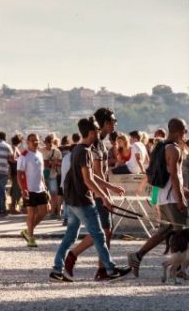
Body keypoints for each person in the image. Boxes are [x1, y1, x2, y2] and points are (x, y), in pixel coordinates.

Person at [49, 116, 131, 282]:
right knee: (99, 235)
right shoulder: (85, 151)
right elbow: (88, 180)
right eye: (97, 131)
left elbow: (91, 176)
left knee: (70, 236)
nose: (98, 134)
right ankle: (110, 270)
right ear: (92, 133)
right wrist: (104, 197)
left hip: (72, 200)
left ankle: (57, 270)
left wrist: (111, 188)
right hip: (82, 201)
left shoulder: (78, 150)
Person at [127, 118, 189, 279]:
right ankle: (177, 269)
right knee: (182, 233)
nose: (186, 133)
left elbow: (169, 174)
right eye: (185, 130)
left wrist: (182, 190)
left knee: (165, 231)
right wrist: (180, 199)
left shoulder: (161, 147)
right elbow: (174, 176)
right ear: (179, 131)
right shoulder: (174, 150)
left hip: (163, 196)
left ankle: (137, 256)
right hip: (171, 198)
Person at [65, 108, 125, 280]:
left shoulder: (99, 143)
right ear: (105, 123)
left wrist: (110, 190)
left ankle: (102, 269)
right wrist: (105, 195)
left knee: (103, 232)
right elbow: (95, 174)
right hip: (96, 194)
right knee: (102, 232)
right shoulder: (95, 144)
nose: (115, 124)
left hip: (96, 193)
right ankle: (80, 259)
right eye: (113, 121)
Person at [18, 133, 49, 248]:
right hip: (29, 189)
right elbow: (19, 173)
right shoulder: (24, 155)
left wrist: (45, 187)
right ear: (27, 142)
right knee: (31, 213)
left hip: (40, 188)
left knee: (44, 211)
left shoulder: (40, 154)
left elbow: (41, 173)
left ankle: (27, 230)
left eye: (36, 140)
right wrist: (23, 189)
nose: (35, 142)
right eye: (32, 140)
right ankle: (31, 238)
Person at [0, 132, 13, 217]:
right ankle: (1, 210)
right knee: (1, 190)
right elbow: (11, 158)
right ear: (5, 137)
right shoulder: (7, 146)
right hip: (4, 170)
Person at [43, 134, 63, 218]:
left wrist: (55, 163)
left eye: (51, 143)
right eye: (48, 143)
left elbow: (61, 163)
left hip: (53, 175)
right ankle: (49, 211)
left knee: (53, 194)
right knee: (44, 194)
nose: (50, 145)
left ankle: (53, 211)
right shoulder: (40, 151)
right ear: (45, 143)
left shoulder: (57, 151)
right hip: (43, 176)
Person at [8, 134, 23, 214]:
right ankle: (13, 207)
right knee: (16, 189)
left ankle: (13, 206)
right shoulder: (14, 148)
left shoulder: (13, 147)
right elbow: (12, 159)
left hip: (14, 171)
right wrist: (20, 160)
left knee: (16, 188)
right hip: (15, 172)